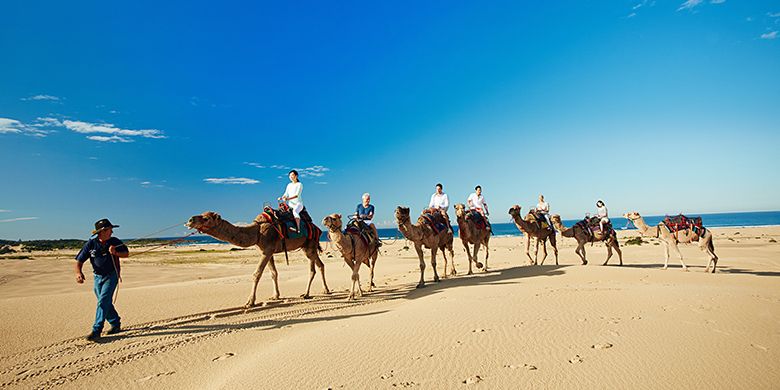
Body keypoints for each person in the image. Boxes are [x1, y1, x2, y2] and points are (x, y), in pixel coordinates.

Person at [75, 218, 130, 341]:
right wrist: (78, 272)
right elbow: (79, 260)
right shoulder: (91, 244)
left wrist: (115, 252)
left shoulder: (115, 241)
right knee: (104, 302)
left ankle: (96, 330)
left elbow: (126, 253)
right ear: (102, 231)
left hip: (112, 275)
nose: (112, 232)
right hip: (97, 277)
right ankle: (115, 323)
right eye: (110, 230)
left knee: (103, 300)